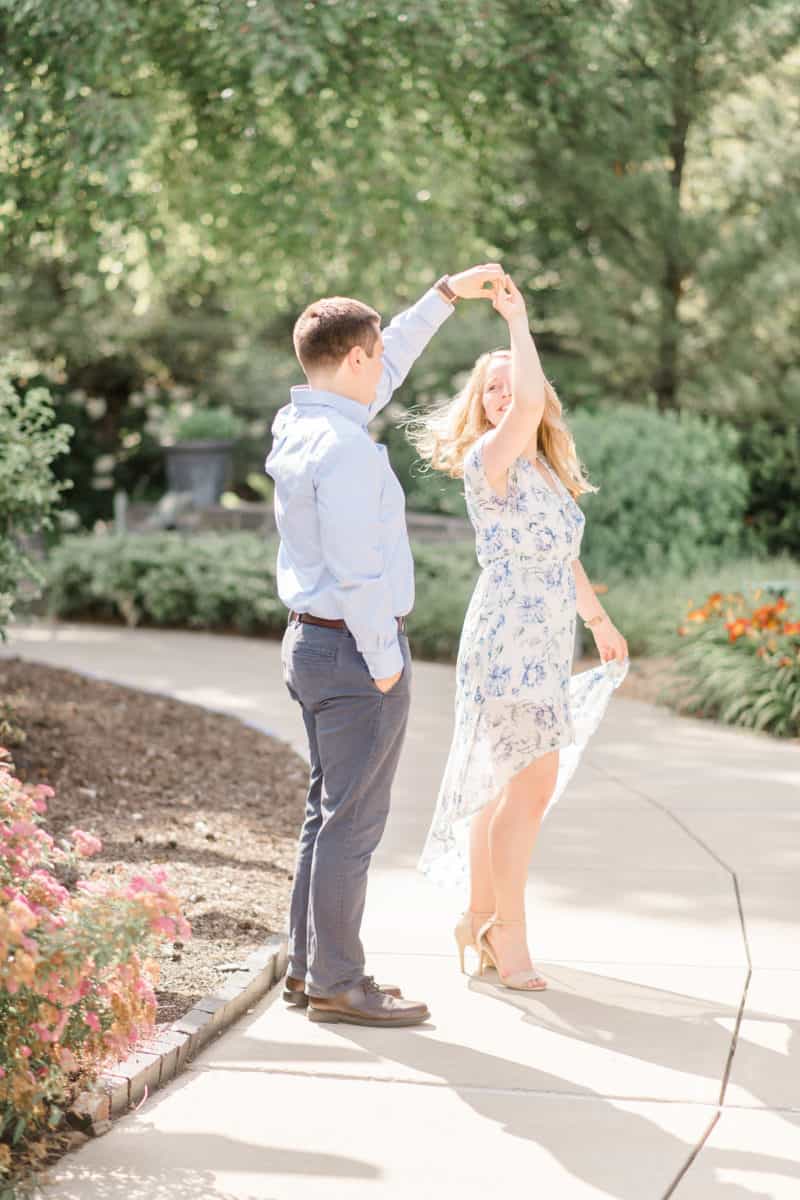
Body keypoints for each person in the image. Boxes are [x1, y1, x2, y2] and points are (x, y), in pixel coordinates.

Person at [265, 264, 505, 1027]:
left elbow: (388, 356)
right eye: (376, 356)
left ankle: (311, 972)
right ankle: (340, 980)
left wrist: (441, 296)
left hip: (312, 646)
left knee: (326, 817)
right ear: (355, 359)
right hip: (351, 651)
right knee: (353, 826)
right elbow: (357, 570)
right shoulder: (344, 450)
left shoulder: (303, 422)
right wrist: (387, 662)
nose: (385, 369)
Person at [410, 275, 629, 992]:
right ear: (483, 409)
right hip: (506, 639)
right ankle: (509, 934)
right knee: (530, 785)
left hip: (546, 637)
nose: (507, 396)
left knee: (505, 787)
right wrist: (517, 321)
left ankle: (477, 917)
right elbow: (529, 403)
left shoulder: (544, 469)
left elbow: (562, 555)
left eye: (515, 386)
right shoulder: (492, 461)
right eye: (493, 391)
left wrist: (598, 620)